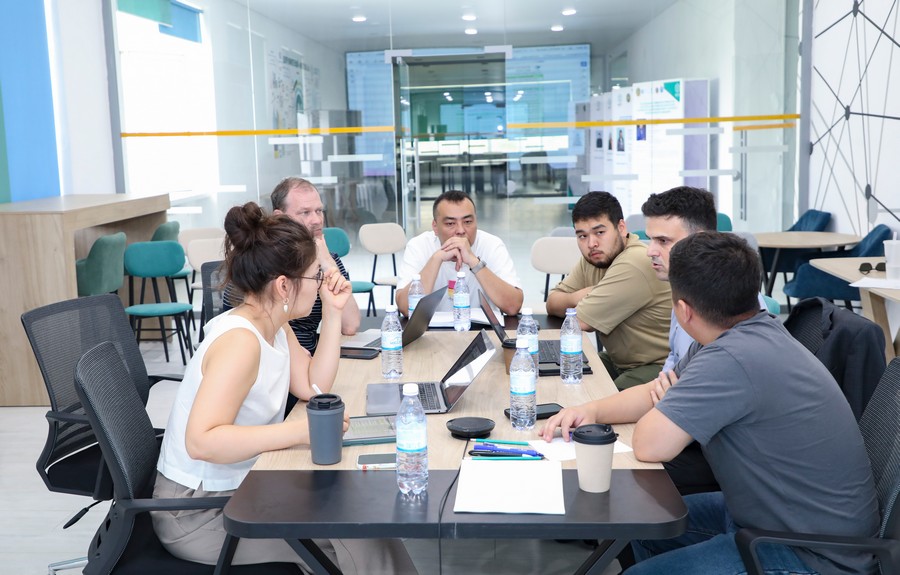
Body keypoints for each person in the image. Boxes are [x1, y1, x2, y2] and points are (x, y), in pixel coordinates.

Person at [545, 232, 880, 575]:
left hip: (811, 554)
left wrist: (668, 400)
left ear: (684, 311)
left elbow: (649, 444)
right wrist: (590, 411)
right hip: (774, 521)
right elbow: (653, 391)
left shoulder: (731, 357)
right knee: (637, 523)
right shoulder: (744, 332)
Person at [152, 203, 416, 573]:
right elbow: (202, 441)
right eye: (315, 276)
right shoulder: (240, 343)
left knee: (360, 516)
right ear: (283, 286)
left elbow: (312, 385)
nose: (322, 282)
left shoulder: (273, 323)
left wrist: (333, 311)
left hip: (240, 487)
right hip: (198, 512)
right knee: (356, 529)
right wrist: (298, 431)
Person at [546, 191, 671, 390]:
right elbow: (552, 303)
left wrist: (572, 303)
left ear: (621, 228)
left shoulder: (634, 262)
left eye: (600, 232)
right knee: (557, 377)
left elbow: (579, 322)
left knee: (598, 398)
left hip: (657, 367)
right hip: (619, 360)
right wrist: (579, 296)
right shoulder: (594, 258)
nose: (591, 244)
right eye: (582, 236)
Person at [396, 190, 523, 316]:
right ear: (435, 226)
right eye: (450, 223)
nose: (461, 230)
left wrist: (474, 262)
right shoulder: (418, 246)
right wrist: (436, 258)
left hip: (481, 327)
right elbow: (405, 309)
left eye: (467, 222)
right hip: (431, 328)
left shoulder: (492, 244)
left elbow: (513, 306)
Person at [271, 176, 360, 355]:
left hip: (313, 359)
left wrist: (328, 264)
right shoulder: (262, 260)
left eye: (319, 211)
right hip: (277, 361)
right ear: (280, 217)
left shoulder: (326, 258)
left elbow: (350, 325)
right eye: (305, 213)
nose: (317, 220)